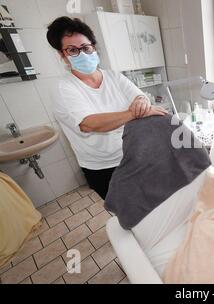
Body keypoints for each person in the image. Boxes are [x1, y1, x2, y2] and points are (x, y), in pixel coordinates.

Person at [47, 17, 167, 199]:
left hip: (134, 154)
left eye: (86, 48)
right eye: (72, 50)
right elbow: (89, 123)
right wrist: (134, 113)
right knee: (127, 213)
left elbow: (139, 96)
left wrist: (142, 101)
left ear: (93, 47)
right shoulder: (64, 88)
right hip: (104, 167)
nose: (82, 54)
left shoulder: (113, 77)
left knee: (150, 201)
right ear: (62, 55)